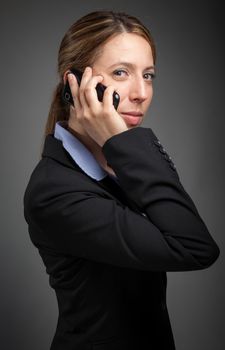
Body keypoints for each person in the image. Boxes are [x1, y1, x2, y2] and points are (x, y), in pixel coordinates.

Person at [23, 10, 220, 350]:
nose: (141, 92)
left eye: (149, 75)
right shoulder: (54, 191)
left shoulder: (121, 163)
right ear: (74, 84)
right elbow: (195, 247)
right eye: (120, 73)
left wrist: (119, 146)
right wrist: (121, 141)